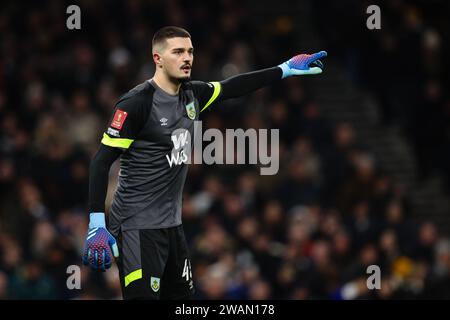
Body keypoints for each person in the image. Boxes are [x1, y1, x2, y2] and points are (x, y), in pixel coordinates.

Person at [82, 26, 327, 300]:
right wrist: (96, 222)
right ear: (158, 58)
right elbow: (101, 161)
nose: (187, 58)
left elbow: (233, 87)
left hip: (172, 227)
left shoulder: (193, 95)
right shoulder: (136, 104)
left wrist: (284, 69)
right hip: (136, 228)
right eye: (178, 52)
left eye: (190, 51)